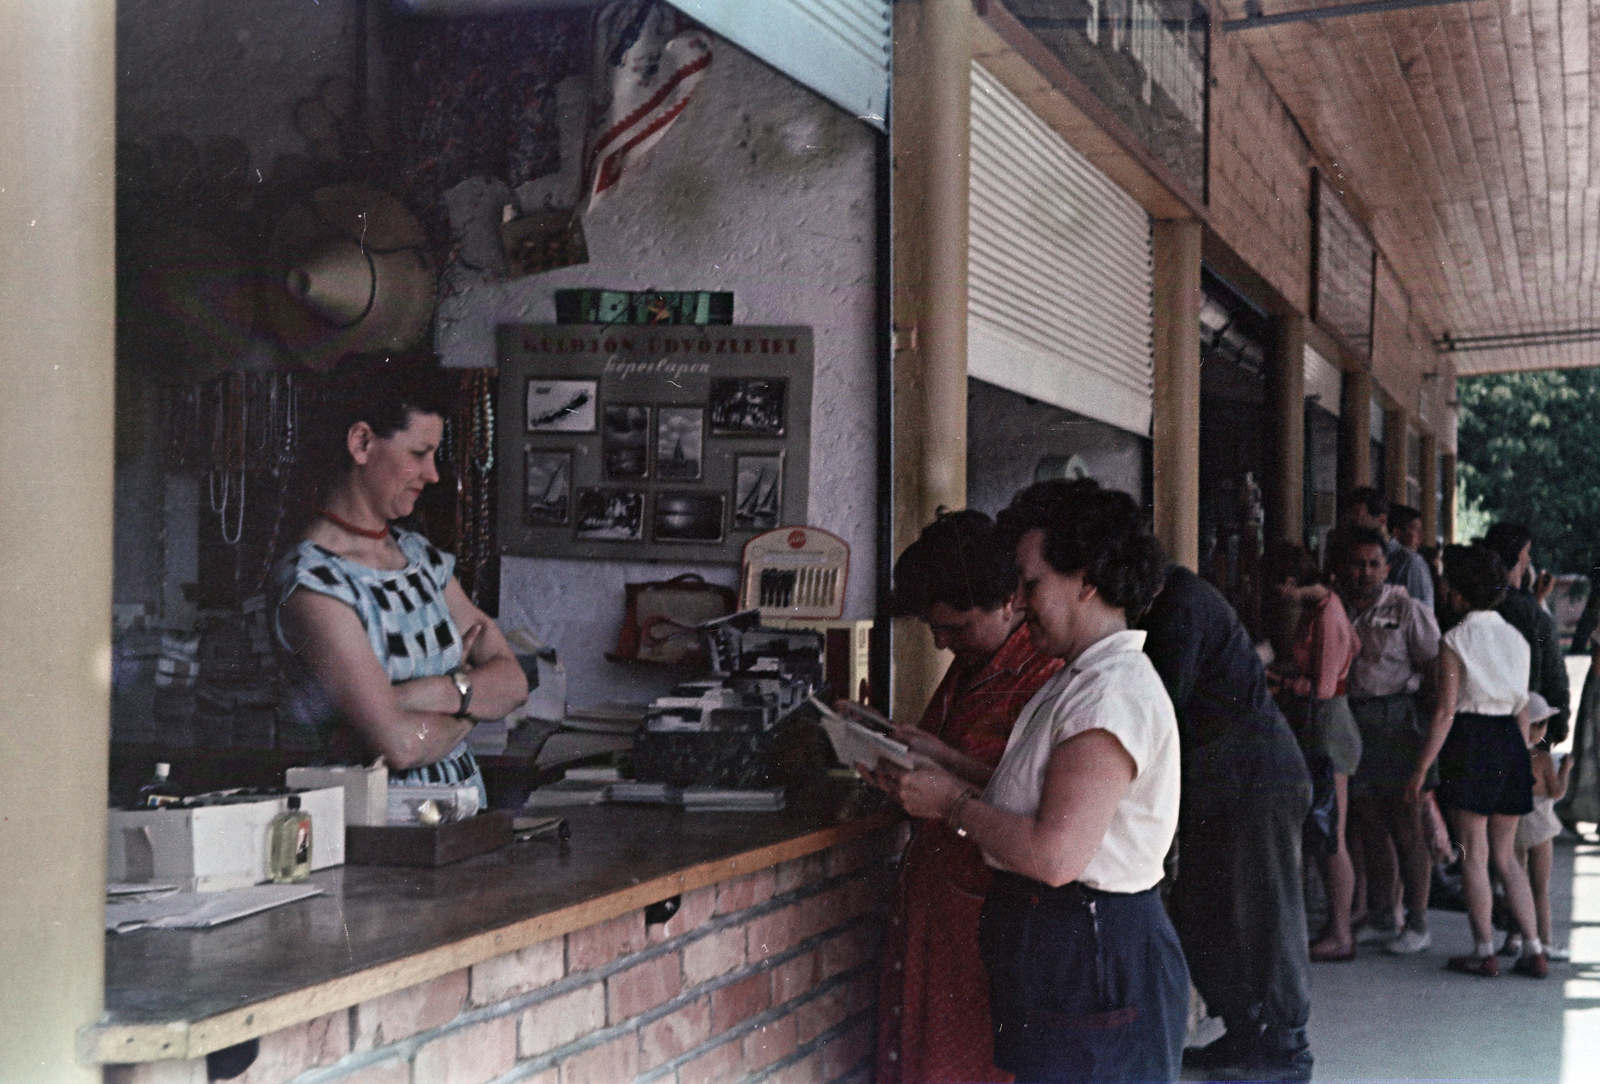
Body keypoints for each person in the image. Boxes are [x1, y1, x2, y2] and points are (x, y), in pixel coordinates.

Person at [863, 481, 1188, 1083]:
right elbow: (1043, 797)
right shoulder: (1078, 678)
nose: (1018, 601)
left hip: (1090, 949)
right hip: (1067, 945)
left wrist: (950, 801)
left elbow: (1054, 852)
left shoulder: (1109, 694)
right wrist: (950, 761)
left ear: (1086, 580)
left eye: (1030, 584)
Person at [272, 363, 528, 807]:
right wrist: (471, 705)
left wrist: (428, 693)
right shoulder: (314, 584)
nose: (432, 474)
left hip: (459, 820)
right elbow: (401, 745)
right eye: (419, 453)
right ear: (362, 443)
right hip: (376, 832)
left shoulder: (421, 559)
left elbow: (514, 683)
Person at [872, 510, 1063, 1084]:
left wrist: (949, 785)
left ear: (1010, 600)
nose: (940, 642)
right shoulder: (972, 663)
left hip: (991, 918)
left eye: (954, 627)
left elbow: (1039, 803)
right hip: (938, 906)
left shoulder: (1046, 675)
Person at [1140, 566, 1314, 1081]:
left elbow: (1160, 707)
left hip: (1256, 782)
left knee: (1266, 917)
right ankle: (1244, 1034)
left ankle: (1287, 1050)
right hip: (1226, 784)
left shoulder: (1179, 605)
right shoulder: (1174, 599)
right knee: (1208, 915)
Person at [1407, 544, 1545, 978]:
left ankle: (1483, 949)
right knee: (1506, 856)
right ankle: (1534, 947)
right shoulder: (1516, 639)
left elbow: (1446, 711)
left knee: (1473, 853)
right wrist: (1521, 760)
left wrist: (1420, 769)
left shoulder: (1456, 640)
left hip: (1472, 742)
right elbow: (1522, 706)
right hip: (1510, 741)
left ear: (1456, 591)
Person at [1333, 525, 1440, 955]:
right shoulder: (1336, 607)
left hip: (1398, 722)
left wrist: (1428, 736)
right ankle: (1382, 914)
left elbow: (1434, 670)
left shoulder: (1407, 609)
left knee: (1407, 826)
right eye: (1357, 564)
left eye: (1374, 564)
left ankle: (1417, 921)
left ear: (1387, 567)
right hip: (1353, 720)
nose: (1365, 572)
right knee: (1369, 823)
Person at [1262, 542, 1360, 962]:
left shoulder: (1329, 614)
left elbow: (1322, 687)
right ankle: (1338, 925)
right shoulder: (1319, 609)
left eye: (1276, 588)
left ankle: (1341, 933)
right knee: (1324, 830)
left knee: (1330, 834)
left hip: (1329, 726)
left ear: (1289, 582)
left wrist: (1277, 681)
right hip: (1322, 726)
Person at [1481, 522, 1569, 744]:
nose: (1528, 560)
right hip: (1530, 722)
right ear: (1516, 558)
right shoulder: (1531, 614)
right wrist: (1560, 724)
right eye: (1526, 553)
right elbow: (1554, 674)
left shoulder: (1475, 604)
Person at [1500, 693, 1572, 962]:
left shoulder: (1507, 754)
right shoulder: (1541, 759)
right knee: (1540, 888)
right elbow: (1555, 793)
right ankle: (1546, 942)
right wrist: (1564, 771)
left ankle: (1514, 937)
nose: (1543, 731)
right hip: (1540, 826)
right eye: (1540, 725)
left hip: (1514, 825)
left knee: (1514, 881)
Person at [1343, 487, 1434, 610]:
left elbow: (1422, 614)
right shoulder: (1347, 555)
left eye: (1357, 521)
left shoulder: (1410, 562)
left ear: (1382, 521)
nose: (1352, 529)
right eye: (1349, 522)